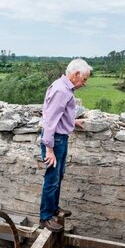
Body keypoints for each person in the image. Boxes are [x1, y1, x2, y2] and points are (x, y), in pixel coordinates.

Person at [38, 58, 91, 232]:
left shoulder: (64, 87)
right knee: (52, 179)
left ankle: (53, 207)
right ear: (75, 74)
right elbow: (49, 122)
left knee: (58, 176)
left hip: (60, 138)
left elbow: (58, 115)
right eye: (84, 79)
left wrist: (72, 122)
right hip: (55, 141)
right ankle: (45, 217)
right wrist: (49, 149)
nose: (84, 83)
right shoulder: (62, 91)